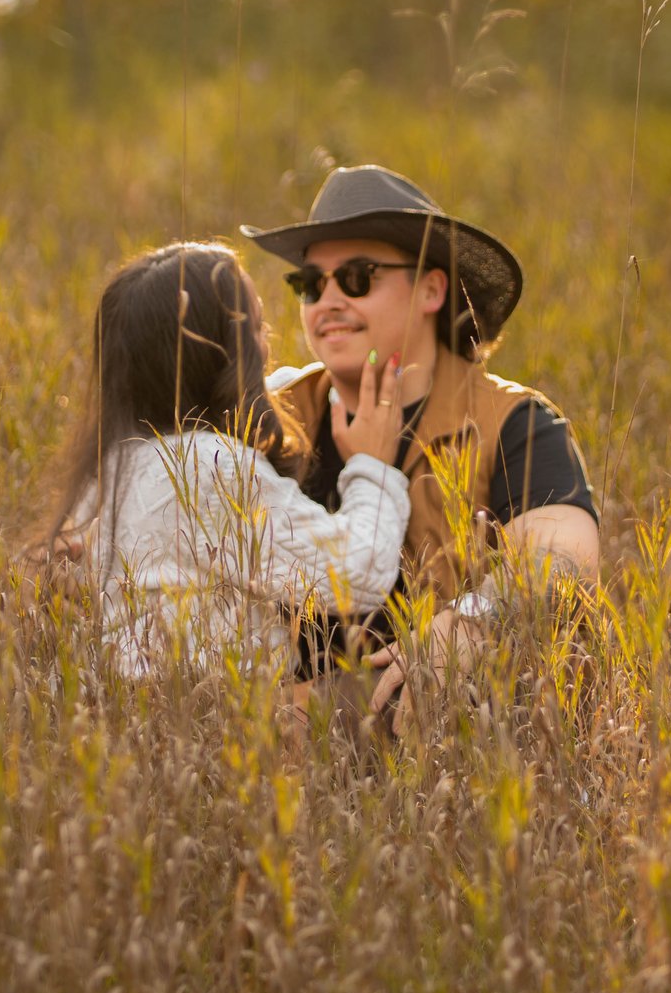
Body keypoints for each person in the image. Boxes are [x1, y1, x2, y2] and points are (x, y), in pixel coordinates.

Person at [240, 165, 600, 720]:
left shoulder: (515, 421)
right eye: (310, 284)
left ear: (432, 288)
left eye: (357, 277)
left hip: (449, 734)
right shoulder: (272, 412)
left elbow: (564, 557)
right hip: (275, 729)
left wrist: (473, 618)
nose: (327, 300)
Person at [42, 241, 414, 679]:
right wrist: (372, 463)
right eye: (256, 328)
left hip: (146, 722)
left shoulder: (115, 467)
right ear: (221, 354)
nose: (266, 344)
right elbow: (357, 573)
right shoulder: (207, 467)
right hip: (220, 726)